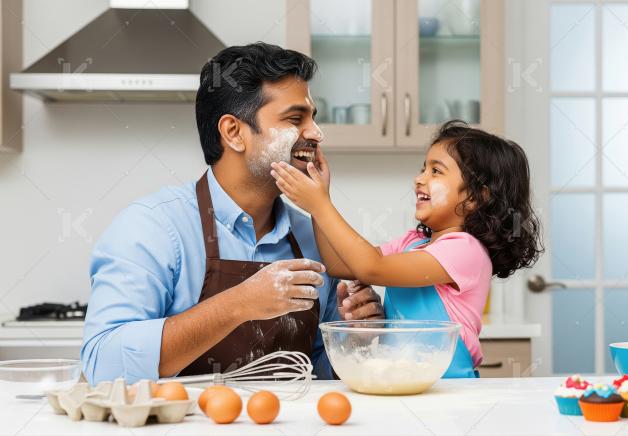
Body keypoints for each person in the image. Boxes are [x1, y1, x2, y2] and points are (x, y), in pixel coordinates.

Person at [81, 42, 383, 385]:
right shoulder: (151, 228)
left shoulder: (315, 238)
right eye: (296, 118)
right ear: (234, 133)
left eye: (314, 117)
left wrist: (355, 339)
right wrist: (239, 304)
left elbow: (319, 376)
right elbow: (102, 364)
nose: (316, 133)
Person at [271, 120, 543, 377]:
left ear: (475, 197)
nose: (419, 179)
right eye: (423, 168)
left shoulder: (466, 250)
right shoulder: (413, 243)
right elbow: (341, 265)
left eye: (436, 171)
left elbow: (371, 268)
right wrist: (322, 199)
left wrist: (320, 205)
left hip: (451, 389)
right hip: (406, 381)